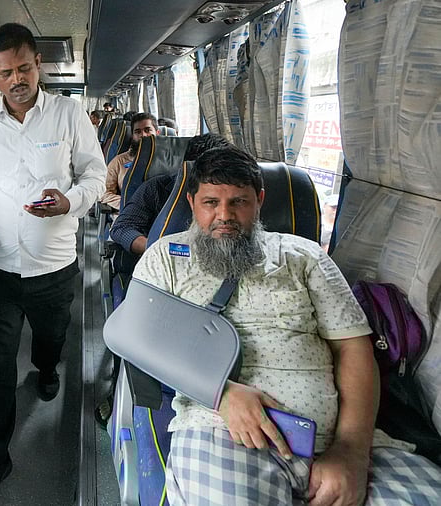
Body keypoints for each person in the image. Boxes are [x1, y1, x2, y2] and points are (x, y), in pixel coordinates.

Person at [132, 146, 441, 505]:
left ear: (260, 200)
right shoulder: (167, 257)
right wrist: (221, 393)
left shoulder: (305, 256)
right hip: (220, 428)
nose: (224, 215)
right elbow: (140, 338)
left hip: (332, 439)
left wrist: (351, 452)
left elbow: (352, 348)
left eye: (239, 202)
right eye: (211, 202)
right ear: (192, 201)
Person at [0, 22, 106, 506]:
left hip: (54, 263)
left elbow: (96, 176)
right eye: (5, 72)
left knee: (50, 338)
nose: (16, 79)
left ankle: (45, 368)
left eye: (24, 68)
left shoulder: (68, 114)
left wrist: (71, 201)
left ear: (38, 64)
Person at [95, 133, 230, 429]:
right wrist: (158, 251)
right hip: (156, 280)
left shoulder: (235, 206)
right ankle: (116, 389)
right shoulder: (158, 188)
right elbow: (124, 227)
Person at [100, 112, 158, 209]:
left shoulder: (172, 162)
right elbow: (104, 192)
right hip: (129, 212)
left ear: (157, 132)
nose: (143, 135)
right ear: (132, 136)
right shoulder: (119, 161)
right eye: (138, 132)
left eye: (148, 130)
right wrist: (127, 204)